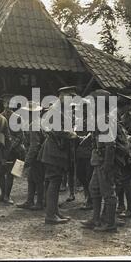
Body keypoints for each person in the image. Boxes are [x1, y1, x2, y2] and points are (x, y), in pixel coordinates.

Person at [81, 89, 118, 232]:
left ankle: (110, 223)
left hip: (104, 160)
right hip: (98, 159)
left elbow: (110, 145)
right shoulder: (100, 118)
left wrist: (108, 164)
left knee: (108, 192)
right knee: (94, 189)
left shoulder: (106, 119)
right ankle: (96, 219)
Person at [40, 86, 78, 224]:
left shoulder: (60, 109)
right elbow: (56, 130)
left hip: (57, 150)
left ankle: (54, 211)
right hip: (54, 151)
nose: (71, 100)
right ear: (62, 95)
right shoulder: (56, 109)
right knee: (54, 182)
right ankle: (50, 215)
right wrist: (72, 134)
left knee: (54, 181)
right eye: (70, 97)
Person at [0, 94, 26, 204]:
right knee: (0, 173)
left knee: (11, 173)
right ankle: (1, 195)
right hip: (1, 148)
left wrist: (11, 146)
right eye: (5, 103)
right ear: (3, 104)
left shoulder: (17, 117)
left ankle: (7, 196)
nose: (7, 106)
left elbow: (20, 135)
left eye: (10, 103)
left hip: (14, 150)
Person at [16, 101, 46, 210]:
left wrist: (27, 160)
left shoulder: (34, 125)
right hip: (39, 156)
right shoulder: (39, 122)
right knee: (31, 178)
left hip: (37, 157)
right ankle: (30, 201)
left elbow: (34, 145)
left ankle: (39, 202)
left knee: (38, 180)